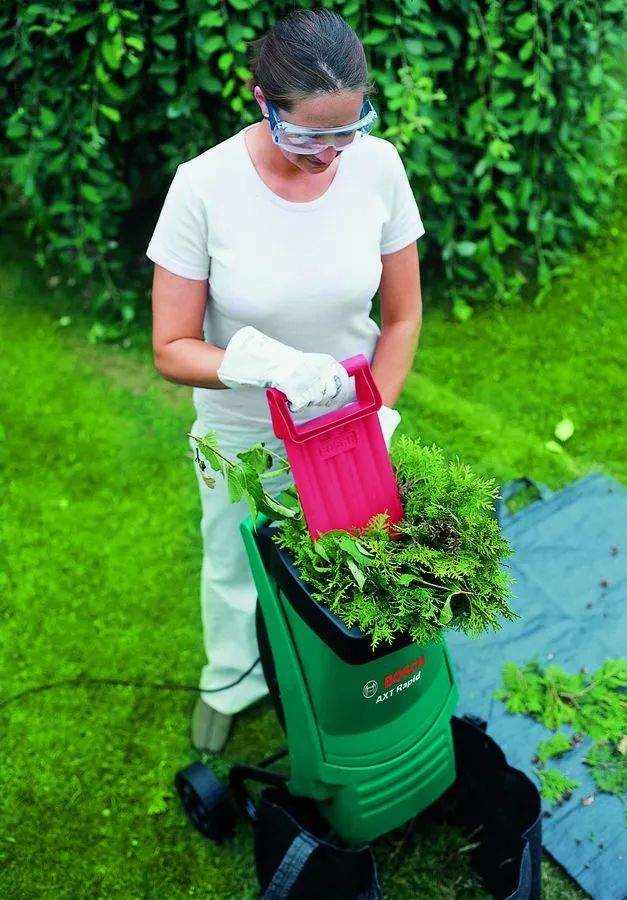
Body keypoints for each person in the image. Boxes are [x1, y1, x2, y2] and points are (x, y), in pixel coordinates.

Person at [146, 8, 425, 753]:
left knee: (349, 569)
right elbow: (171, 347)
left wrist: (373, 414)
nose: (328, 155)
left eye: (347, 130)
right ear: (260, 99)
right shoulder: (203, 188)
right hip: (244, 432)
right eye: (306, 135)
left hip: (349, 432)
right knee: (239, 573)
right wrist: (257, 364)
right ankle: (231, 685)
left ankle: (339, 691)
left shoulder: (381, 167)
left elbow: (401, 319)